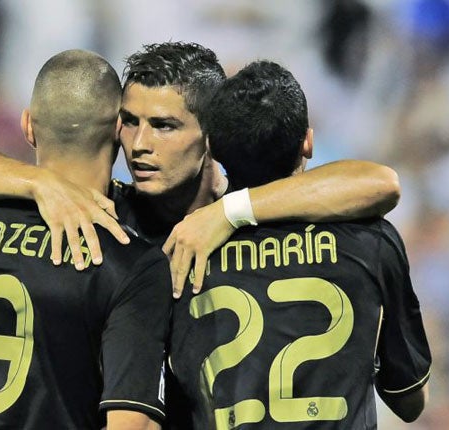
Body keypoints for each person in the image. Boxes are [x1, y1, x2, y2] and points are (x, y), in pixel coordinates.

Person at [0, 42, 401, 299]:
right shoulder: (103, 210)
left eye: (164, 126)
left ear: (210, 136)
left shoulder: (249, 215)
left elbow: (379, 183)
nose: (139, 145)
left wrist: (227, 214)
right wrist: (37, 180)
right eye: (129, 122)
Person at [167, 60, 431, 429]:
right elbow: (409, 400)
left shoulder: (182, 254)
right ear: (308, 141)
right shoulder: (371, 242)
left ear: (214, 149)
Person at [0, 50, 171, 430]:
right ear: (119, 129)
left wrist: (38, 182)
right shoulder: (129, 260)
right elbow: (132, 425)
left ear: (28, 125)